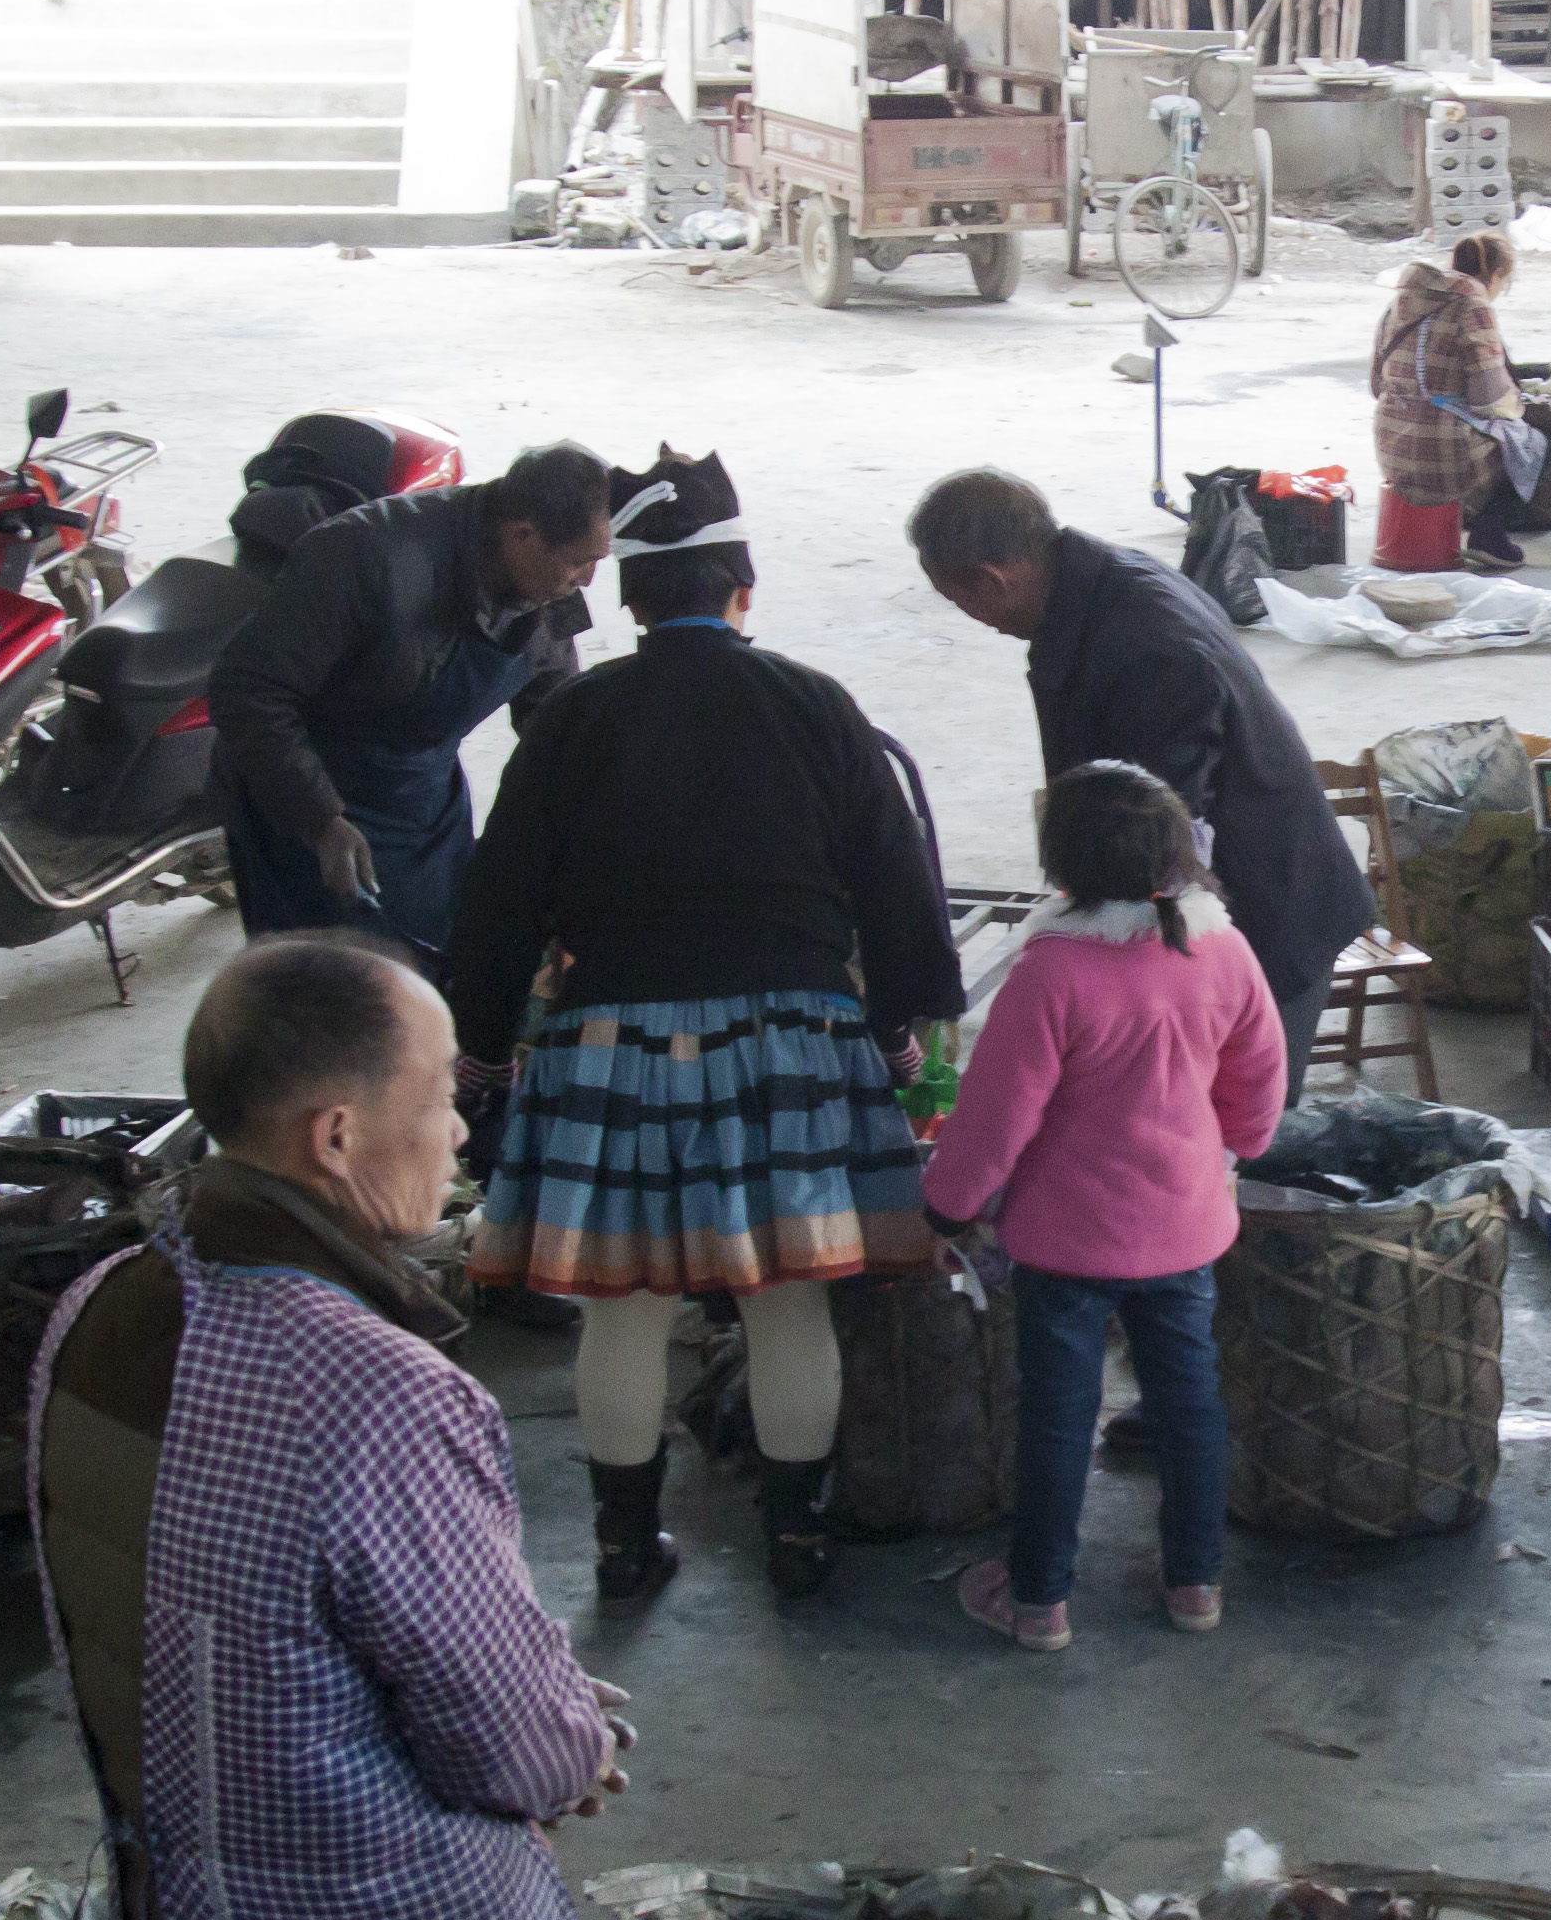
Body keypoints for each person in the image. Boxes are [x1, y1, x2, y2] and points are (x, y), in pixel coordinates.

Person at [26, 937, 636, 1920]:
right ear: (338, 1133)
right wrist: (572, 1733)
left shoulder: (99, 1305)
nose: (461, 1125)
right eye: (442, 1090)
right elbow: (516, 1749)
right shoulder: (367, 1385)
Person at [449, 452, 965, 1604]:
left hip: (608, 1045)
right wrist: (895, 1033)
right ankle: (798, 1539)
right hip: (793, 1042)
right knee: (788, 1300)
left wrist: (479, 1052)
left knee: (624, 1312)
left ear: (629, 598)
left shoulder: (572, 717)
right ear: (743, 588)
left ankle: (625, 1549)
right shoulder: (814, 703)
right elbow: (898, 888)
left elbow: (496, 904)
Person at [920, 763, 1283, 1652]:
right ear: (1177, 853)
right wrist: (1233, 1147)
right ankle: (1195, 1583)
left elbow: (996, 1115)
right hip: (1185, 1229)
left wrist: (947, 1207)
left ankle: (1038, 1599)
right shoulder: (1222, 950)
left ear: (1062, 864)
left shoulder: (1051, 971)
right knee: (1190, 1403)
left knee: (1056, 1414)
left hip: (1065, 1243)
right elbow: (1260, 1080)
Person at [909, 470, 1372, 1101]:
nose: (971, 617)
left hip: (1267, 915)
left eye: (959, 599)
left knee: (1225, 1128)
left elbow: (1162, 841)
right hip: (1233, 901)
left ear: (993, 579)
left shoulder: (1147, 650)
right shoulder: (1094, 583)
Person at [208, 440, 607, 972]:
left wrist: (589, 820)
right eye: (579, 562)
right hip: (308, 798)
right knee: (336, 987)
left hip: (423, 796)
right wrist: (320, 820)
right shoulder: (363, 556)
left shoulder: (546, 583)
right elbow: (246, 689)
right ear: (522, 535)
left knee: (440, 965)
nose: (587, 580)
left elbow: (553, 714)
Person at [1370, 229, 1539, 569]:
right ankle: (1488, 536)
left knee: (1488, 430)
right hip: (1438, 452)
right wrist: (1517, 402)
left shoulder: (1403, 301)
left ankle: (1457, 520)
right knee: (1529, 440)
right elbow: (1487, 398)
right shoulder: (1473, 305)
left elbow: (1376, 384)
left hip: (1389, 443)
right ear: (1495, 275)